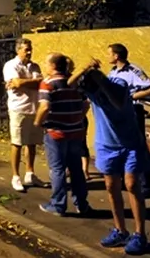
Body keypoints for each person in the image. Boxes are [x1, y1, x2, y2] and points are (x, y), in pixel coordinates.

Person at [69, 58, 149, 255]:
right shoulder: (89, 90)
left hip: (131, 143)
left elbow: (118, 103)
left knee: (131, 185)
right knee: (111, 187)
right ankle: (120, 230)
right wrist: (84, 68)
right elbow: (68, 84)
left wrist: (100, 80)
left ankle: (140, 234)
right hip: (106, 146)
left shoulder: (118, 83)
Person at [34, 53, 91, 216]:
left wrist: (38, 122)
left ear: (53, 66)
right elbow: (86, 104)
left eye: (46, 63)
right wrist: (78, 118)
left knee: (57, 169)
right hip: (75, 131)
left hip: (56, 132)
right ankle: (82, 204)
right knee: (76, 169)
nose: (45, 65)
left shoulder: (48, 83)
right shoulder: (74, 83)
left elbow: (44, 107)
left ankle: (58, 204)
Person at [106, 43, 150, 194]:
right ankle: (128, 180)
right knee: (122, 145)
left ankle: (144, 184)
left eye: (109, 53)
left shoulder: (133, 71)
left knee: (137, 146)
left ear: (116, 56)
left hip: (133, 111)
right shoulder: (113, 72)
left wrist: (131, 97)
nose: (107, 56)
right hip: (118, 112)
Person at [3, 38, 44, 192]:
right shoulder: (11, 65)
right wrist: (31, 81)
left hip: (33, 107)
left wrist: (23, 82)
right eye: (26, 49)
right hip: (18, 108)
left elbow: (40, 83)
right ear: (18, 50)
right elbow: (17, 83)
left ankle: (30, 173)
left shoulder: (34, 66)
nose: (29, 51)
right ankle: (15, 176)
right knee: (17, 143)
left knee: (31, 142)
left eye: (30, 48)